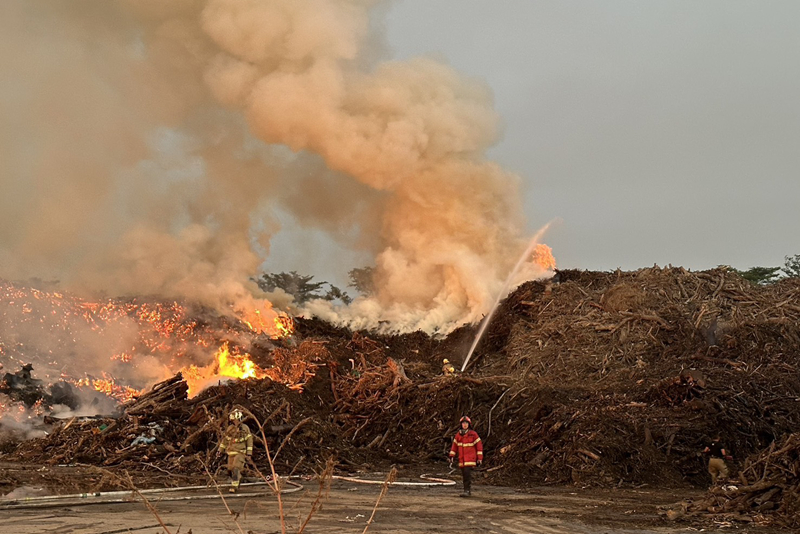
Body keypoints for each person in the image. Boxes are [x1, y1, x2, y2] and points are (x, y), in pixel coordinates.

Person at [218, 408, 254, 493]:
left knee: (236, 468)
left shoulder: (245, 429)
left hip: (241, 453)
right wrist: (220, 450)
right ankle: (238, 479)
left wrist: (249, 454)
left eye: (237, 420)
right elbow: (225, 441)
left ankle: (234, 486)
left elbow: (249, 441)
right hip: (231, 453)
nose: (236, 422)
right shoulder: (230, 429)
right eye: (234, 420)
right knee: (230, 469)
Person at [449, 416, 483, 497]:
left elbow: (479, 446)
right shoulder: (458, 435)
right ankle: (466, 490)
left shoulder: (473, 434)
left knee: (467, 474)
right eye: (463, 423)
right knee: (464, 475)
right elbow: (454, 446)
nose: (464, 425)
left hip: (470, 459)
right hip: (462, 459)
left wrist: (480, 458)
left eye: (466, 423)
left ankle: (467, 491)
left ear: (469, 424)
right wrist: (451, 456)